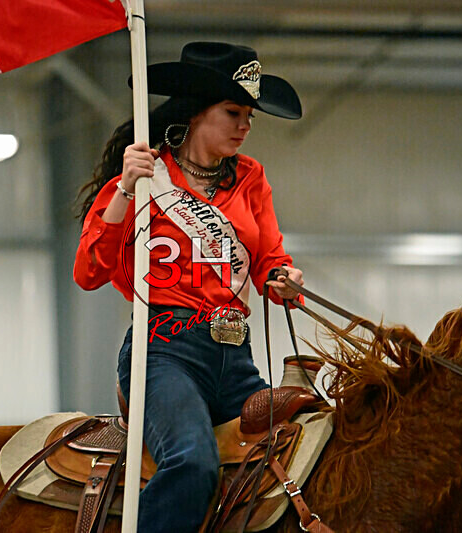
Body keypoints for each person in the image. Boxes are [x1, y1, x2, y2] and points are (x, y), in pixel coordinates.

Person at [73, 42, 305, 532]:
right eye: (234, 112)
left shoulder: (251, 178)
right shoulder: (145, 176)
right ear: (198, 111)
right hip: (164, 352)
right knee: (192, 461)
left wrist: (283, 279)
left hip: (235, 357)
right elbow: (89, 272)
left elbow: (267, 258)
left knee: (305, 455)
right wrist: (122, 192)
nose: (245, 125)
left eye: (250, 116)